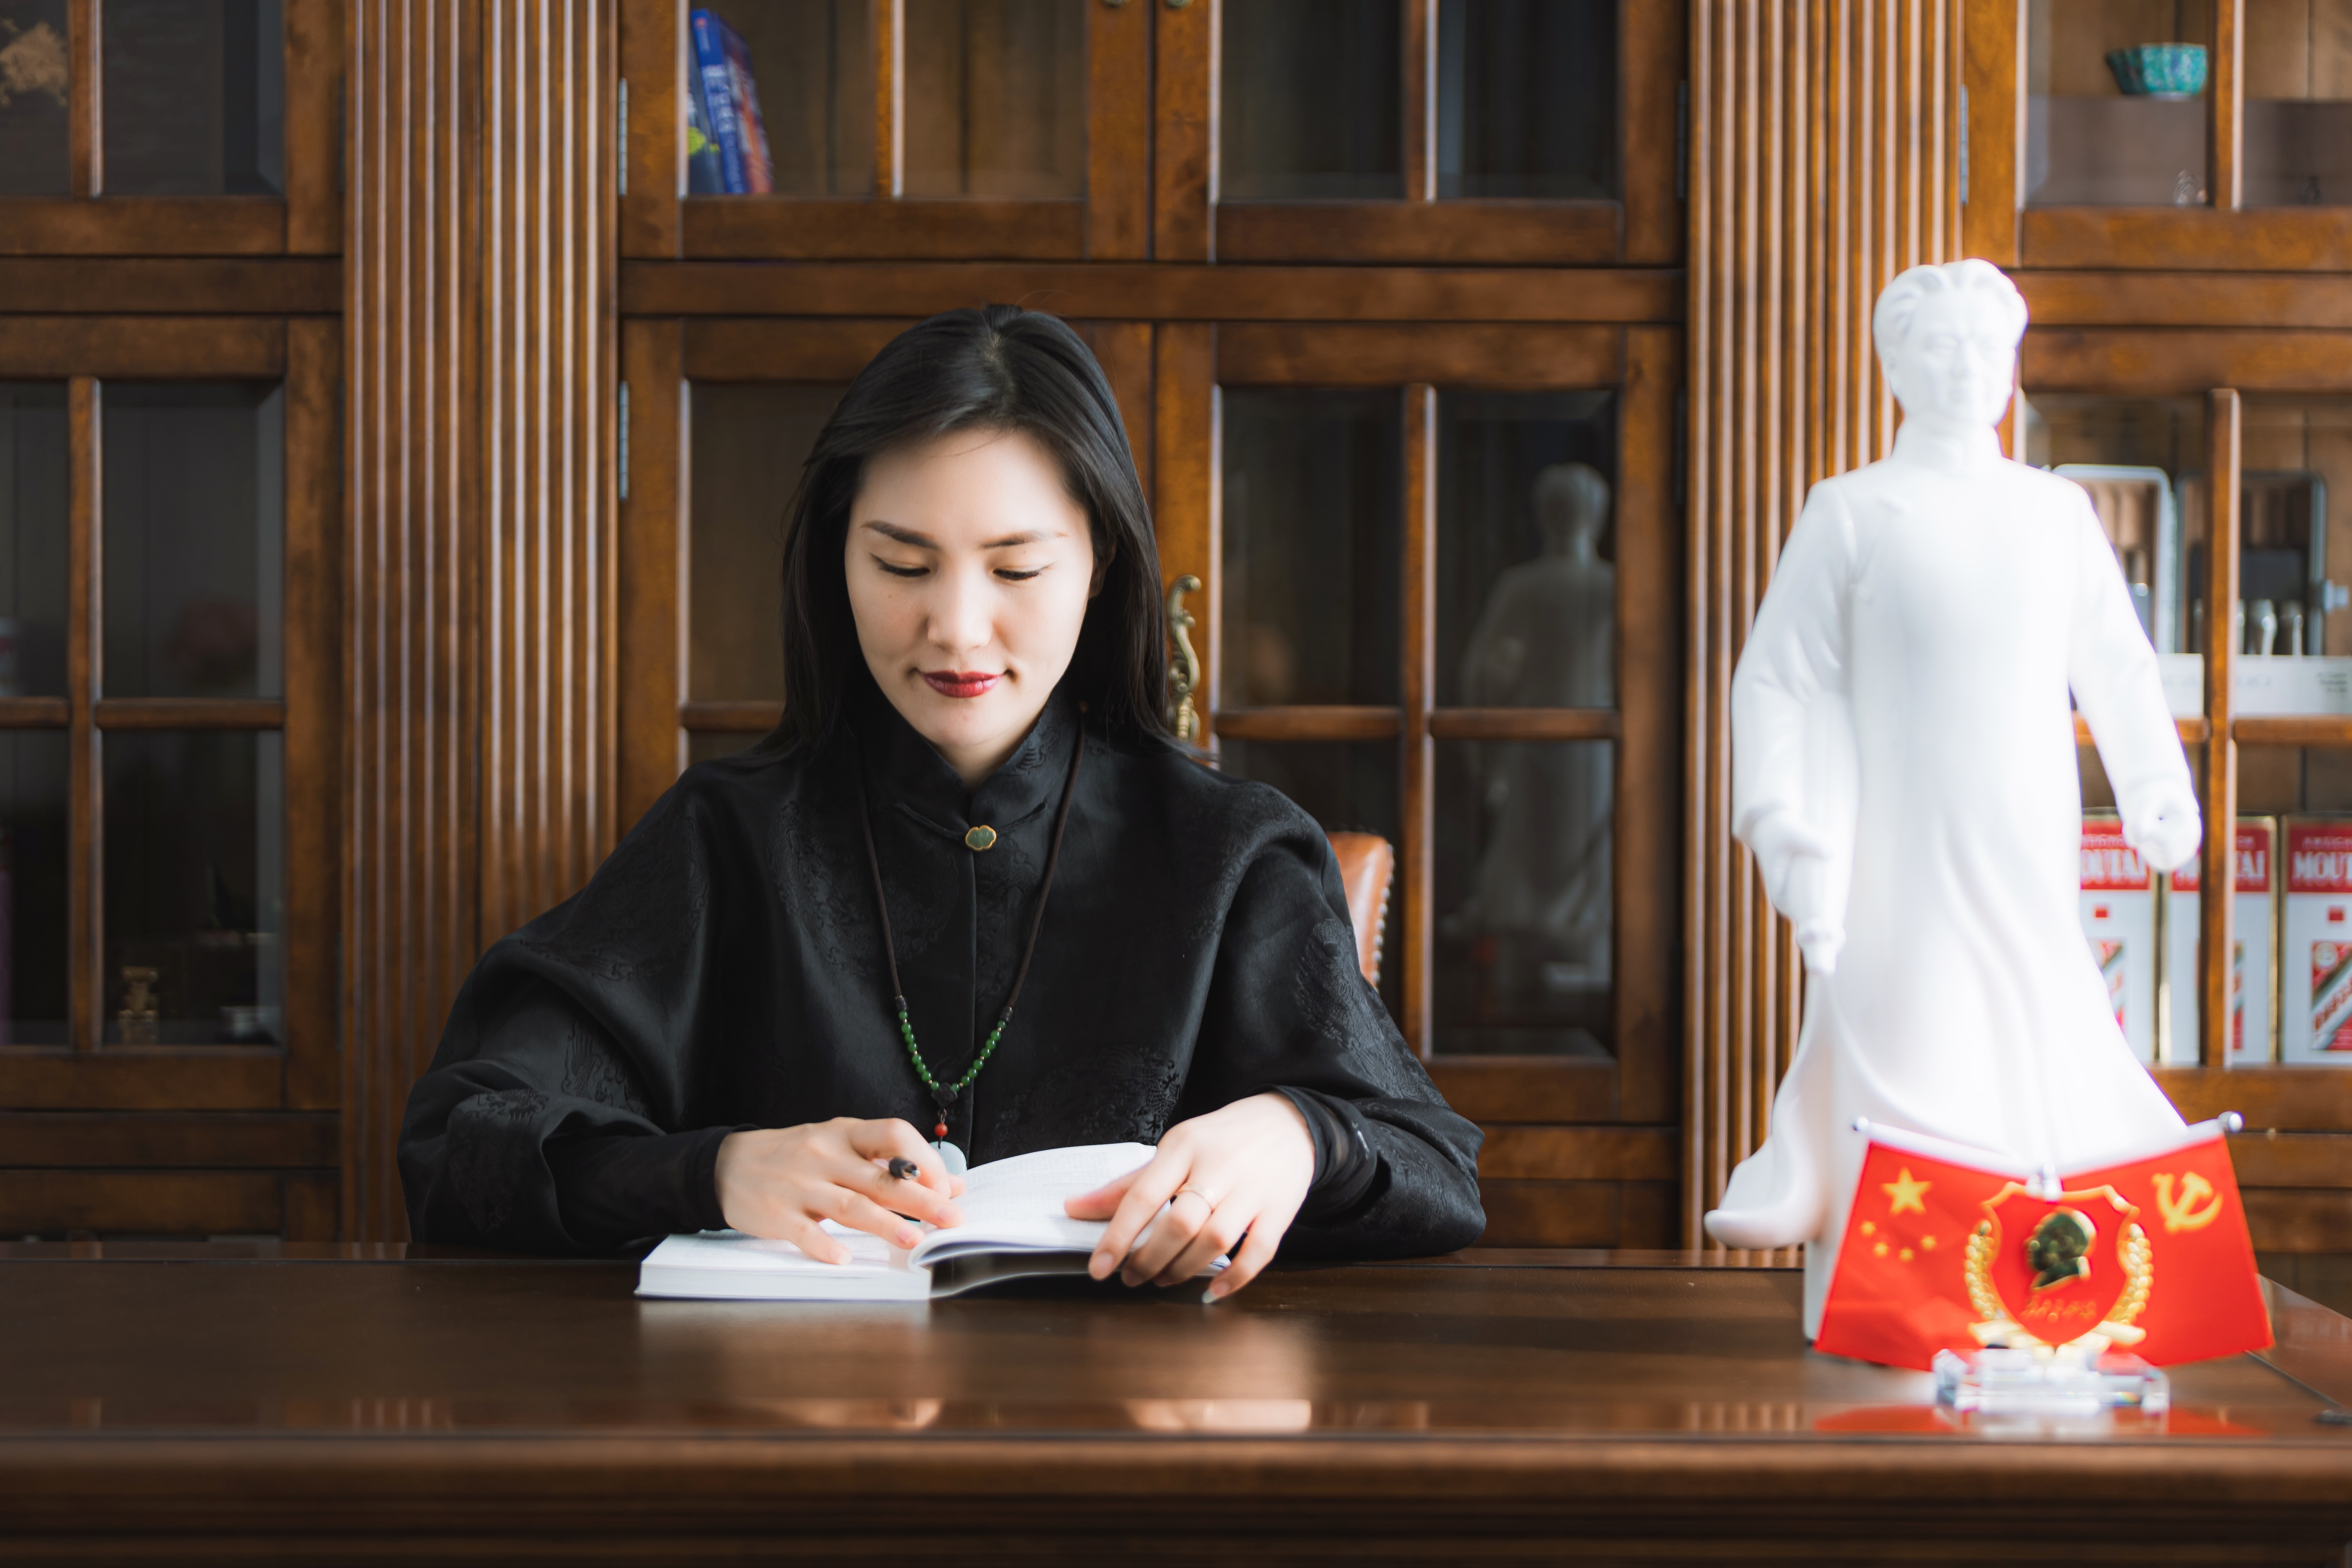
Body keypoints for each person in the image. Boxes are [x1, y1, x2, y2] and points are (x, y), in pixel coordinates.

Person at [399, 306, 1485, 1297]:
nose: (958, 630)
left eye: (1016, 571)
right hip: (785, 1422)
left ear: (1100, 564)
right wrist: (717, 1170)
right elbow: (458, 1142)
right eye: (903, 565)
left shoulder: (1229, 851)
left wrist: (1297, 1137)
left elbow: (1437, 1168)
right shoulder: (722, 839)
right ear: (839, 559)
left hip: (1132, 1425)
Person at [1703, 260, 2200, 1335]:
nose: (1968, 366)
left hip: (2026, 833)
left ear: (2014, 364)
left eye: (1988, 347)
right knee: (1913, 1032)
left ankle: (2040, 1295)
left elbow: (2118, 667)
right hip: (1897, 847)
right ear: (1894, 366)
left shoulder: (2054, 514)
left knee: (2039, 1031)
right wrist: (1785, 821)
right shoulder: (1852, 512)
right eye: (1941, 346)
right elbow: (1778, 679)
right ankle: (1903, 1295)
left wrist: (2155, 784)